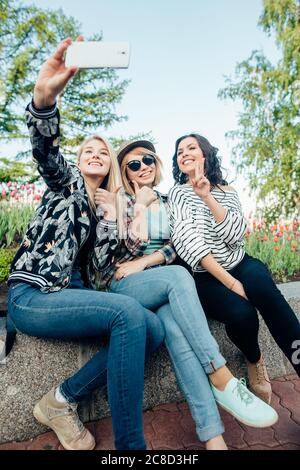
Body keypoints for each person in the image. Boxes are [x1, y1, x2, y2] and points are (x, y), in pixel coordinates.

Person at [7, 39, 165, 451]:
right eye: (87, 151)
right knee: (131, 314)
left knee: (152, 329)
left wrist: (121, 212)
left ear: (110, 164)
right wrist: (43, 103)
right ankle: (133, 449)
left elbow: (107, 265)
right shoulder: (66, 185)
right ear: (78, 163)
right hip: (33, 295)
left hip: (71, 298)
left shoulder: (104, 206)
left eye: (103, 151)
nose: (96, 154)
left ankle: (61, 400)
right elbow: (47, 155)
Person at [95, 139, 278, 451]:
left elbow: (174, 248)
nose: (144, 167)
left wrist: (146, 261)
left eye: (148, 160)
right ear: (124, 171)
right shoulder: (115, 200)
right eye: (134, 164)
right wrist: (139, 205)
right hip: (125, 285)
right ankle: (220, 375)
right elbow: (111, 254)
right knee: (180, 275)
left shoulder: (168, 200)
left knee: (179, 337)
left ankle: (213, 437)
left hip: (161, 283)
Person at [168, 133, 300, 405]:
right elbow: (189, 242)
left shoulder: (228, 192)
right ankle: (254, 358)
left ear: (205, 154)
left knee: (265, 291)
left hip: (241, 262)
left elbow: (235, 235)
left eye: (191, 147)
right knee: (242, 314)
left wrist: (208, 197)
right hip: (208, 276)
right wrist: (230, 284)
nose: (184, 153)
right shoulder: (177, 194)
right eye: (179, 151)